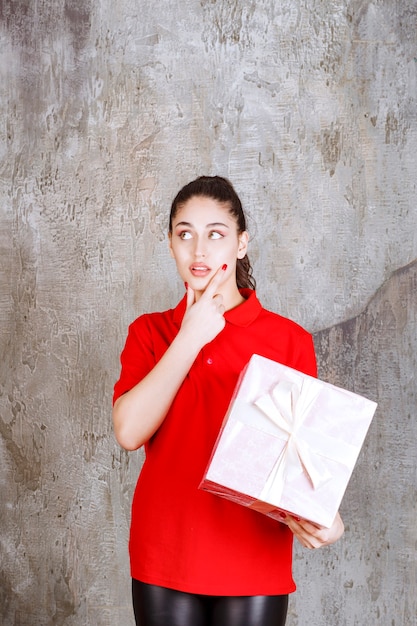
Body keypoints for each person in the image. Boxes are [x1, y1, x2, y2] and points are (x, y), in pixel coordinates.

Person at [113, 175, 344, 626]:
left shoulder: (289, 341)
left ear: (241, 244)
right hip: (165, 555)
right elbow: (128, 431)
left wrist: (326, 518)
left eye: (215, 234)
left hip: (254, 557)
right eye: (185, 234)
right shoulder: (149, 332)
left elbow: (302, 462)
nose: (199, 251)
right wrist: (189, 338)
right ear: (170, 244)